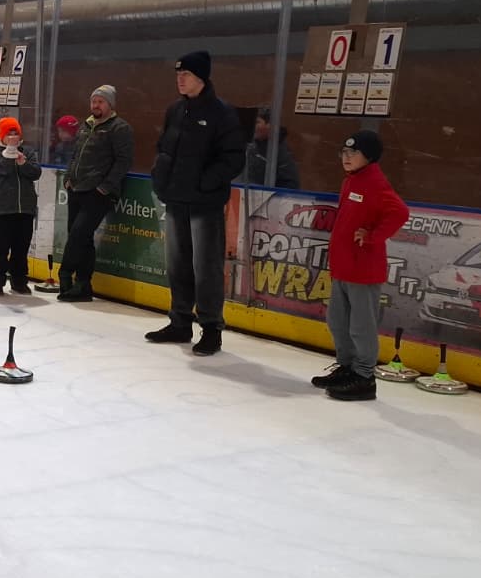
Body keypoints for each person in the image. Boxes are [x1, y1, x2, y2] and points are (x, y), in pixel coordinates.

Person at [145, 51, 246, 355]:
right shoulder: (176, 110)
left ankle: (212, 328)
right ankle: (180, 322)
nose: (180, 80)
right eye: (178, 75)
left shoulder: (222, 113)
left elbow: (233, 158)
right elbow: (164, 149)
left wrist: (206, 183)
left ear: (201, 77)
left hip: (204, 205)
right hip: (176, 200)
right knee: (178, 266)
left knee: (206, 268)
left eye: (185, 75)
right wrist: (160, 179)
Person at [315, 130, 410, 402]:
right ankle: (347, 367)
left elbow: (400, 212)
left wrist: (372, 237)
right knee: (338, 321)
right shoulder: (352, 180)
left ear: (368, 156)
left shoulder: (374, 183)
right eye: (343, 152)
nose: (346, 157)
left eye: (352, 153)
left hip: (363, 269)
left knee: (360, 325)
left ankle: (365, 376)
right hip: (344, 267)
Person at [59, 84, 134, 302]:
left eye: (101, 101)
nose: (96, 105)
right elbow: (75, 155)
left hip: (97, 193)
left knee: (78, 234)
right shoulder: (86, 125)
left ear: (110, 104)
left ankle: (65, 274)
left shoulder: (119, 128)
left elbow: (124, 161)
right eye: (94, 101)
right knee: (83, 238)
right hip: (77, 189)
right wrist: (68, 178)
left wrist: (105, 187)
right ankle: (83, 285)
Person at [0, 116, 41, 296]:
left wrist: (23, 163)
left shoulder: (28, 151)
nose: (13, 136)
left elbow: (36, 173)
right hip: (3, 209)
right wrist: (10, 153)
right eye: (9, 133)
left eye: (15, 133)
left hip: (25, 209)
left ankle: (19, 281)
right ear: (2, 136)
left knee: (21, 248)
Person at [244, 106, 300, 189]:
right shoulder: (250, 146)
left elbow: (291, 185)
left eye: (257, 122)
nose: (252, 126)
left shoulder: (281, 152)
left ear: (270, 125)